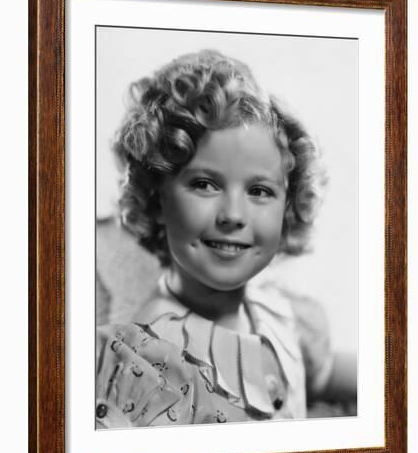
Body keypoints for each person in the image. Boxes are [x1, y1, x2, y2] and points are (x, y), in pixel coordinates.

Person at [96, 49, 356, 429]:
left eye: (260, 191)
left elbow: (321, 375)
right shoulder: (144, 363)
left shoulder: (283, 315)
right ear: (155, 200)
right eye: (204, 184)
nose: (233, 215)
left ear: (287, 207)